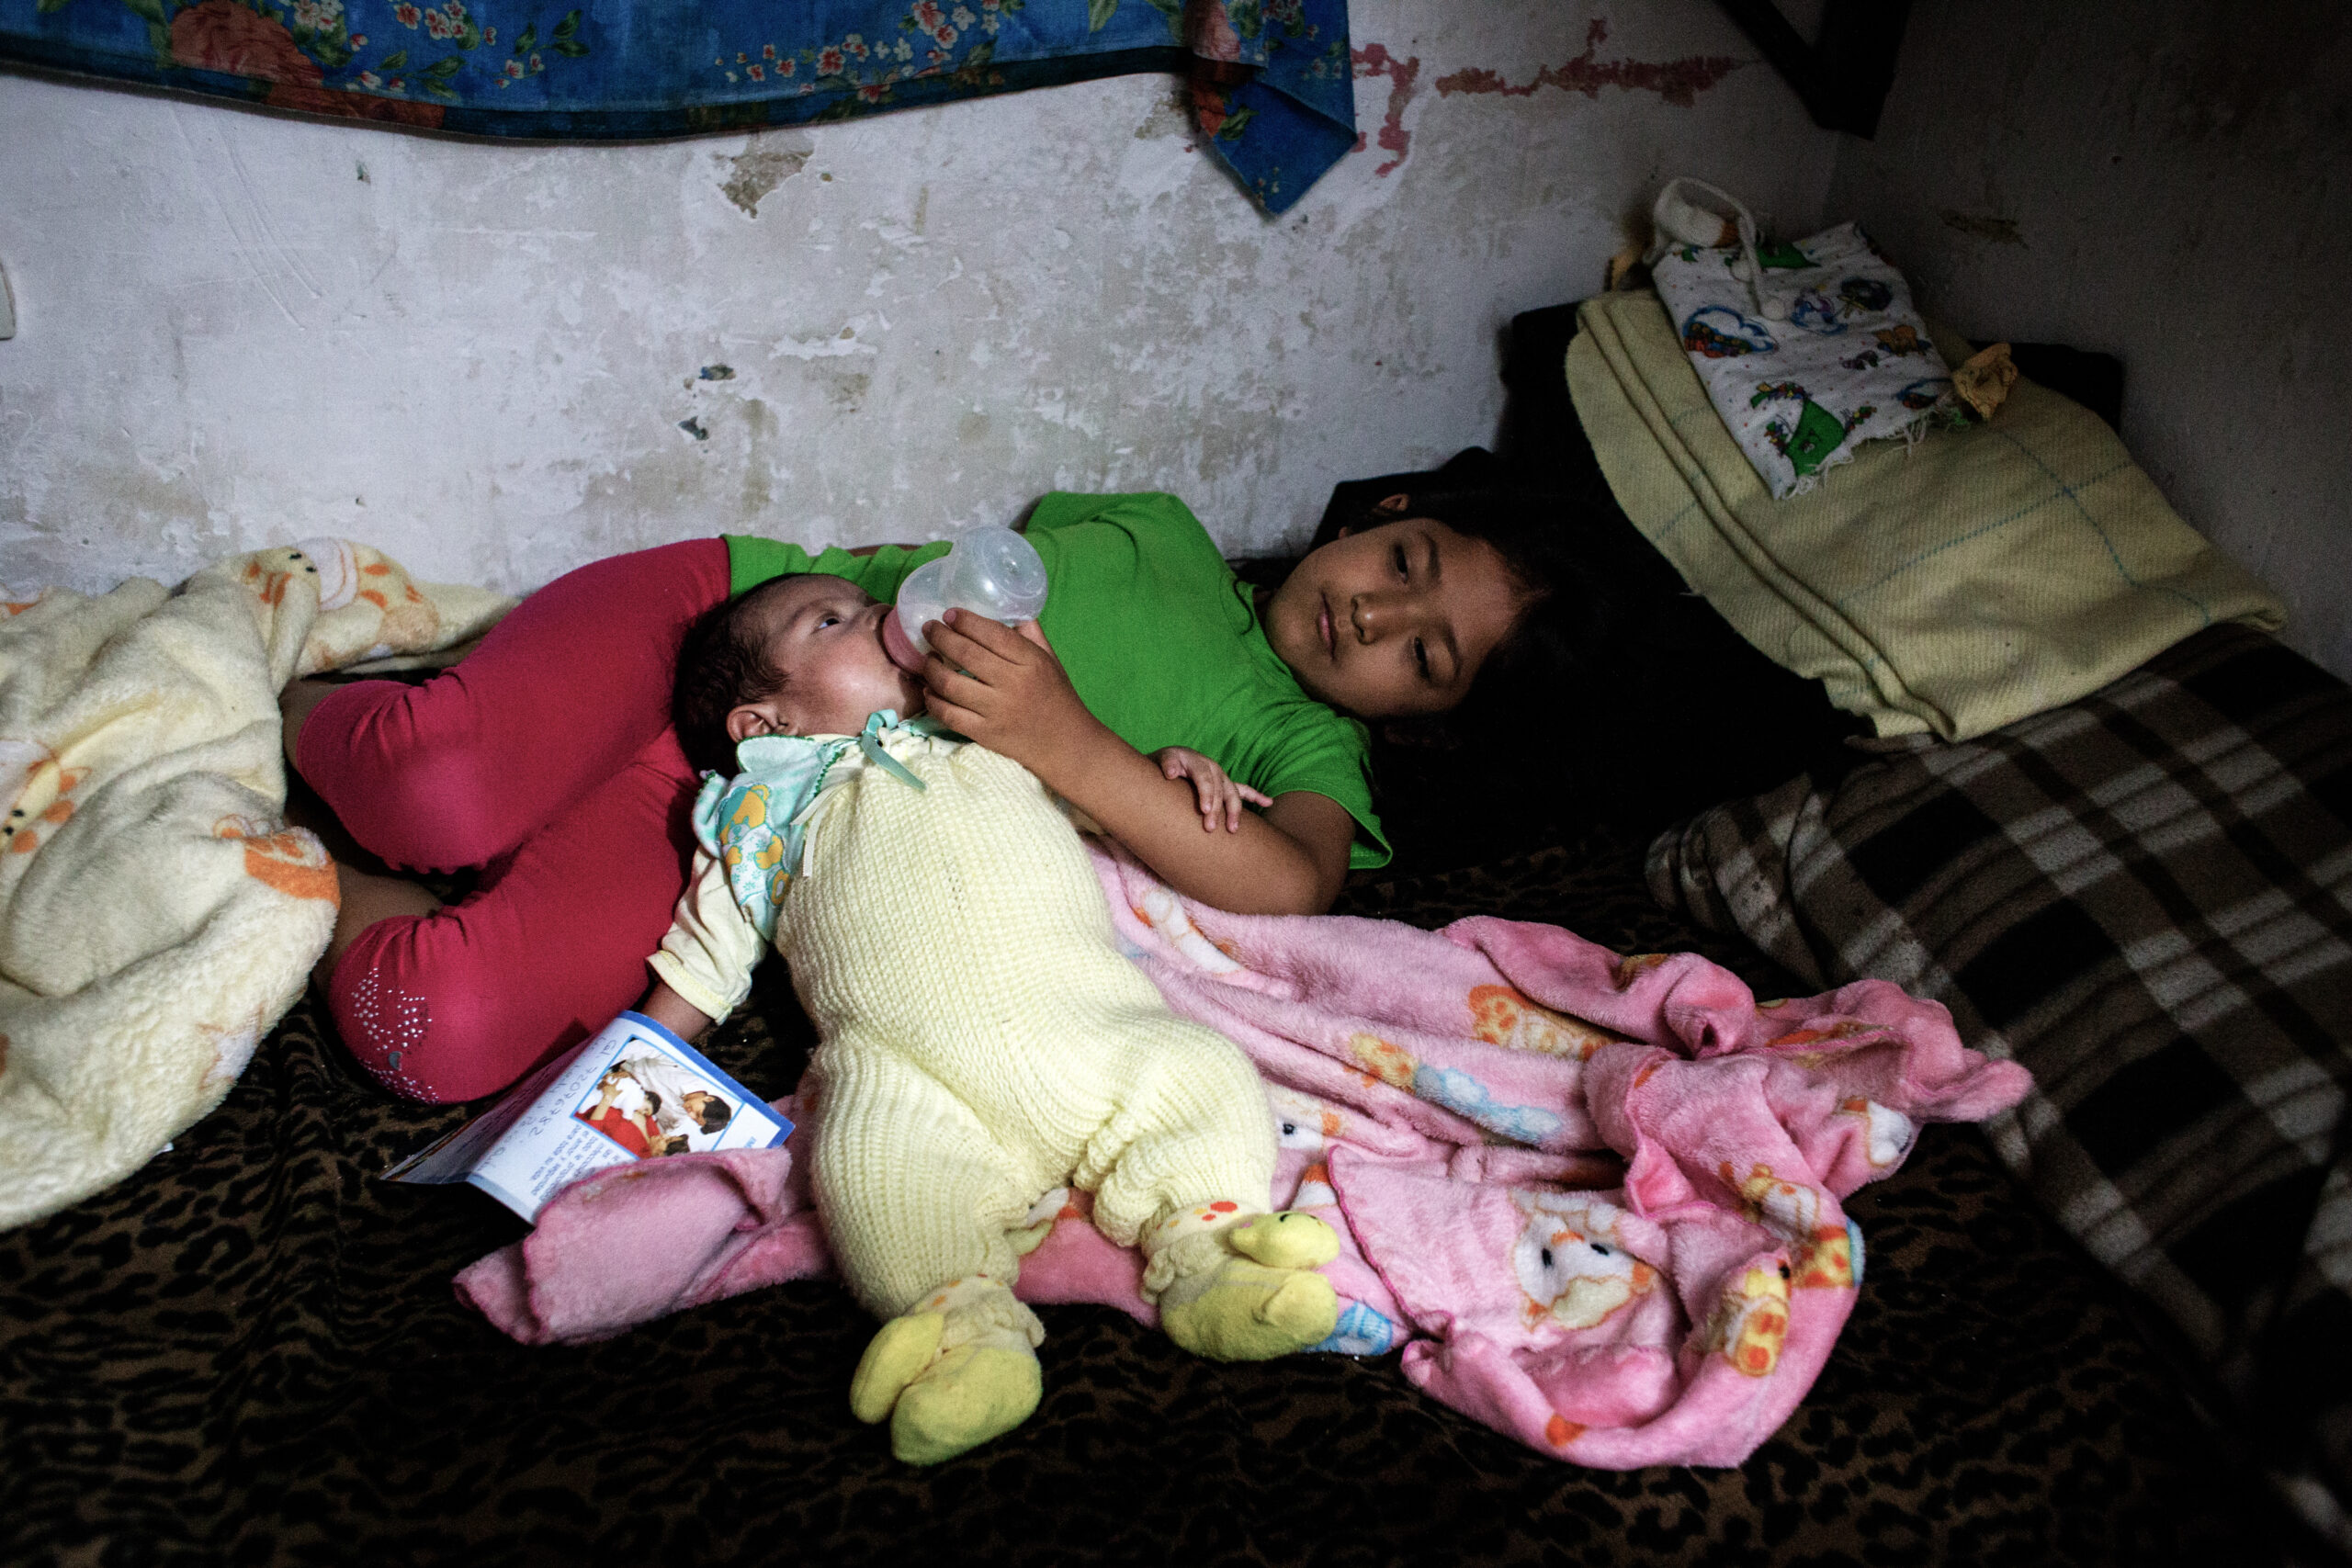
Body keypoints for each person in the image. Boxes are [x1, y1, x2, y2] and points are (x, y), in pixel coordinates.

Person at [280, 489, 1576, 1104]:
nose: (1374, 609)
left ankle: (315, 867)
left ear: (1435, 717)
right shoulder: (1167, 531)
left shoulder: (1308, 751)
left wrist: (1070, 745)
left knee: (429, 1031)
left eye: (1425, 652)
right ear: (1388, 512)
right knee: (432, 781)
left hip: (774, 817)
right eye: (1406, 561)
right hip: (738, 621)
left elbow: (1293, 880)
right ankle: (274, 708)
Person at [641, 570, 1346, 1465]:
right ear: (763, 722)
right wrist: (628, 1069)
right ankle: (962, 1329)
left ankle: (1206, 1255)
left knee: (1201, 1070)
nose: (884, 618)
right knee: (865, 1167)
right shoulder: (757, 812)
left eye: (870, 604)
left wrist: (1177, 770)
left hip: (1090, 1025)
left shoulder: (999, 736)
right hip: (913, 1075)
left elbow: (1122, 802)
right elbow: (701, 966)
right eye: (834, 621)